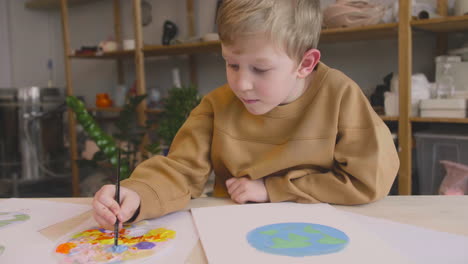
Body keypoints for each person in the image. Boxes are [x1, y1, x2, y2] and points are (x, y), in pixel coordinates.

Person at [92, 0, 399, 229]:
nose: (241, 84)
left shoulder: (340, 95)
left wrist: (272, 190)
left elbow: (369, 178)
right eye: (232, 64)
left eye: (260, 69)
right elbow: (180, 170)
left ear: (305, 64)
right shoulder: (218, 105)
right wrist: (138, 194)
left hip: (328, 231)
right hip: (235, 232)